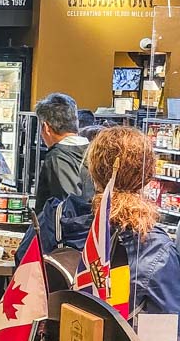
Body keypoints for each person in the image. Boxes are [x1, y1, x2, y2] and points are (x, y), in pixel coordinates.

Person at [18, 126, 180, 317]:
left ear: (92, 169)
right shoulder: (156, 247)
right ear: (147, 176)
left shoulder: (55, 216)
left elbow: (22, 273)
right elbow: (167, 325)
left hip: (56, 338)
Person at [33, 92, 95, 214]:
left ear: (46, 127)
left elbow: (67, 205)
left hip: (66, 231)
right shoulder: (94, 151)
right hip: (93, 229)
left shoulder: (57, 157)